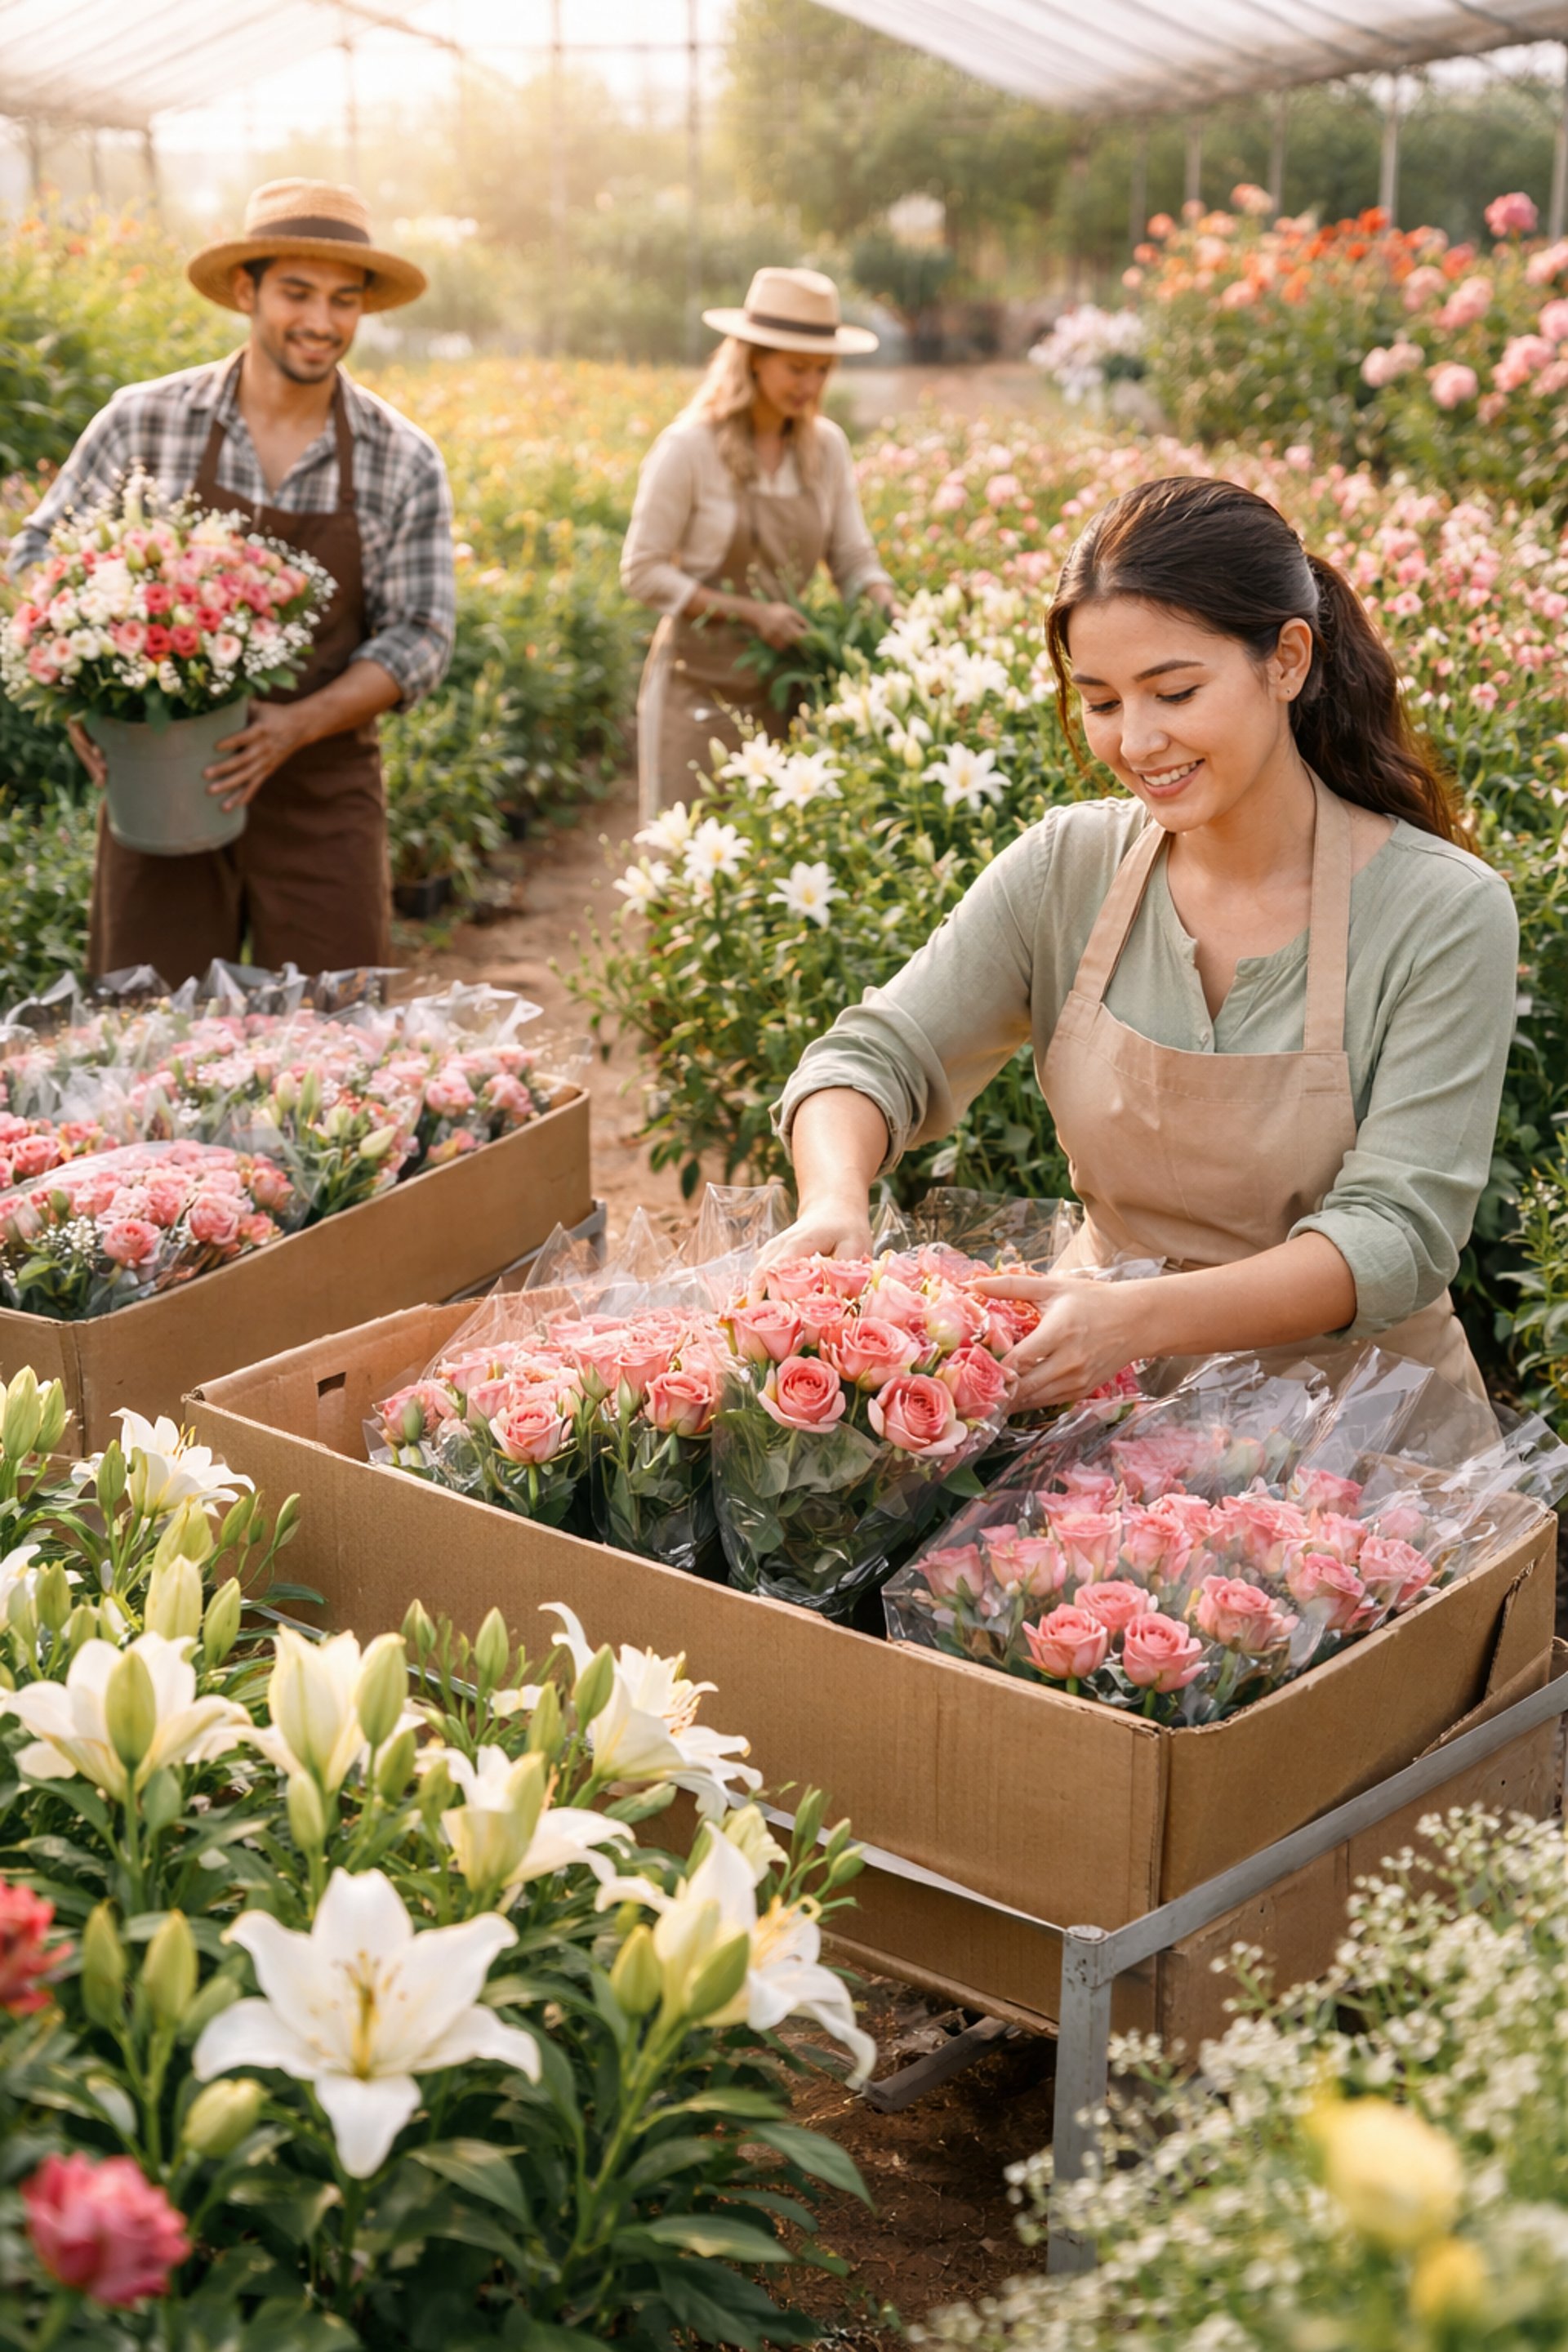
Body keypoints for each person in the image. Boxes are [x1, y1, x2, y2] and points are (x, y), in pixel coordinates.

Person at [773, 475, 1517, 1408]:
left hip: (1364, 1433)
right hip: (1104, 1412)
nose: (1137, 741)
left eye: (1173, 691)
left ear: (1287, 660)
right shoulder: (1069, 866)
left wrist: (1133, 1317)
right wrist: (836, 1199)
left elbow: (1393, 1237)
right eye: (1101, 701)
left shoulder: (1442, 911)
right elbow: (876, 1054)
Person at [7, 179, 456, 987]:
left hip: (322, 793)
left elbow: (422, 633)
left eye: (343, 301)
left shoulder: (401, 456)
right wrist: (83, 694)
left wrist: (294, 725)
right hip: (161, 786)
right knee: (147, 1032)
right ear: (246, 290)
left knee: (339, 1035)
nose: (321, 322)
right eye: (297, 292)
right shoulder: (145, 422)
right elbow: (36, 559)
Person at [621, 265, 897, 821]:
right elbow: (643, 570)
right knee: (688, 865)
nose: (811, 385)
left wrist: (890, 610)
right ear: (751, 358)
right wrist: (748, 612)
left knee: (770, 861)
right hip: (698, 687)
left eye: (823, 370)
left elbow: (851, 558)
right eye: (796, 368)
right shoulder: (690, 448)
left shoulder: (825, 448)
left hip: (783, 687)